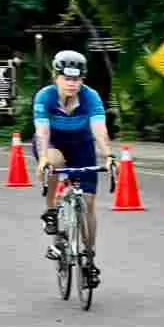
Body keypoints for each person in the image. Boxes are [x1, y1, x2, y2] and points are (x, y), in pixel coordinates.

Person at [33, 50, 115, 288]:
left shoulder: (91, 98)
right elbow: (42, 131)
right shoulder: (45, 97)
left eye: (77, 79)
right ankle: (51, 210)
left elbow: (99, 129)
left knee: (88, 202)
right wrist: (43, 159)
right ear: (56, 77)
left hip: (81, 145)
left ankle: (89, 259)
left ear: (82, 80)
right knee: (54, 162)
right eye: (67, 78)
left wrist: (109, 155)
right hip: (54, 144)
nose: (72, 83)